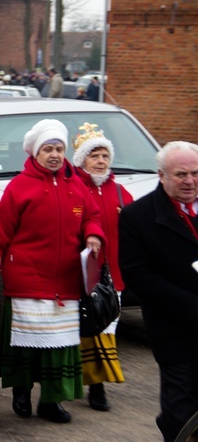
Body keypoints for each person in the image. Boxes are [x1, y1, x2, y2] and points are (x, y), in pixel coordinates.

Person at [0, 119, 105, 424]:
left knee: (58, 348)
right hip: (27, 281)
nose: (55, 154)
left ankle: (51, 401)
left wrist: (93, 233)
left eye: (59, 148)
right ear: (36, 152)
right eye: (48, 149)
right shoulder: (19, 187)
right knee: (26, 345)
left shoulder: (78, 186)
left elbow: (92, 215)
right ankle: (21, 391)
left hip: (67, 281)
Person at [119, 141, 198, 442]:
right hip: (175, 332)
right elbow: (140, 277)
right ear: (162, 175)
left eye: (195, 173)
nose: (190, 181)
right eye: (181, 174)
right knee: (180, 412)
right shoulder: (137, 216)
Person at [71, 123, 131, 412]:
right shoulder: (73, 188)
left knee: (106, 329)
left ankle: (98, 386)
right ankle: (79, 382)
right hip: (78, 275)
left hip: (112, 276)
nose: (100, 161)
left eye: (105, 156)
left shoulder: (121, 193)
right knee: (81, 331)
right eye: (94, 156)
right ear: (82, 160)